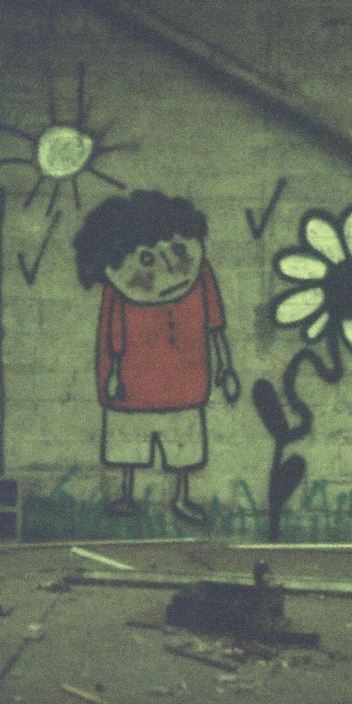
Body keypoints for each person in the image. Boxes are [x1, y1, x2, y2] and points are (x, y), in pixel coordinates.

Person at [73, 190, 240, 525]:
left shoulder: (201, 278)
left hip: (186, 384)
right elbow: (113, 332)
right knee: (128, 442)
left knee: (183, 444)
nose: (167, 267)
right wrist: (115, 374)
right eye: (147, 260)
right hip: (132, 386)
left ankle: (180, 498)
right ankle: (126, 495)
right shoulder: (116, 292)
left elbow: (215, 323)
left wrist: (226, 367)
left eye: (178, 249)